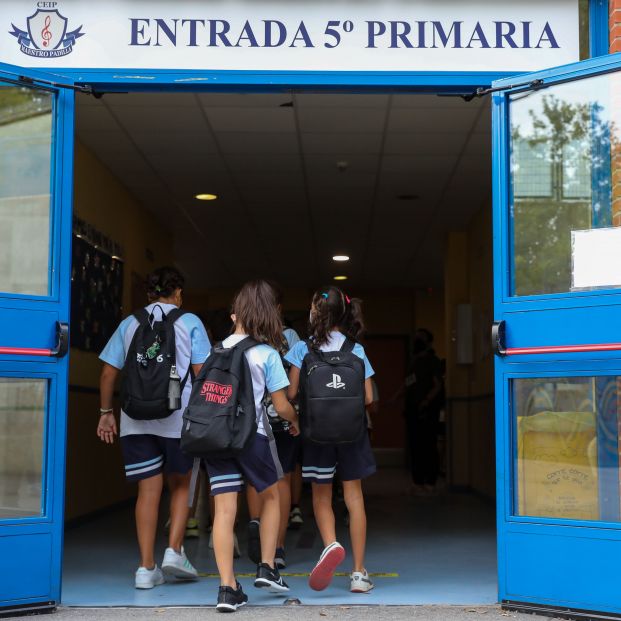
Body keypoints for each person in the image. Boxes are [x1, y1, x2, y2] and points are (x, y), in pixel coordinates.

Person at [97, 266, 211, 589]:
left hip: (136, 419)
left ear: (149, 293)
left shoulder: (129, 323)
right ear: (178, 294)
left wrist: (106, 413)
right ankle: (174, 550)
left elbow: (108, 374)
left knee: (147, 492)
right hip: (179, 419)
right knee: (180, 483)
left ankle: (146, 568)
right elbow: (203, 373)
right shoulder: (190, 323)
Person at [203, 280, 300, 612]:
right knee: (272, 493)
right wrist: (294, 419)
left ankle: (227, 589)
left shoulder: (214, 350)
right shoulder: (267, 354)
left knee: (225, 510)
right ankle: (268, 566)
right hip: (252, 437)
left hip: (215, 438)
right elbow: (281, 404)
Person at [285, 286, 376, 594]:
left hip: (316, 434)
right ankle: (359, 573)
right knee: (354, 499)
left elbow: (292, 394)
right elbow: (368, 396)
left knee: (321, 497)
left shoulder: (303, 349)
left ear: (315, 313)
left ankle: (330, 546)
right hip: (352, 434)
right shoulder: (357, 349)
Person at [246, 282, 301, 570]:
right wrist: (296, 418)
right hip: (280, 421)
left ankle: (257, 533)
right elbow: (293, 386)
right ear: (278, 309)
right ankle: (277, 548)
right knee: (282, 480)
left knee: (254, 480)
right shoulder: (289, 336)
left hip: (249, 423)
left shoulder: (243, 336)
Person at [404, 328, 443, 495]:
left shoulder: (433, 361)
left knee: (428, 446)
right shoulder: (413, 362)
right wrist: (394, 399)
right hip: (412, 410)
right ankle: (417, 482)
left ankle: (430, 483)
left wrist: (426, 401)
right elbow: (407, 383)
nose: (417, 340)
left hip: (428, 411)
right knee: (415, 446)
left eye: (421, 337)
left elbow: (437, 385)